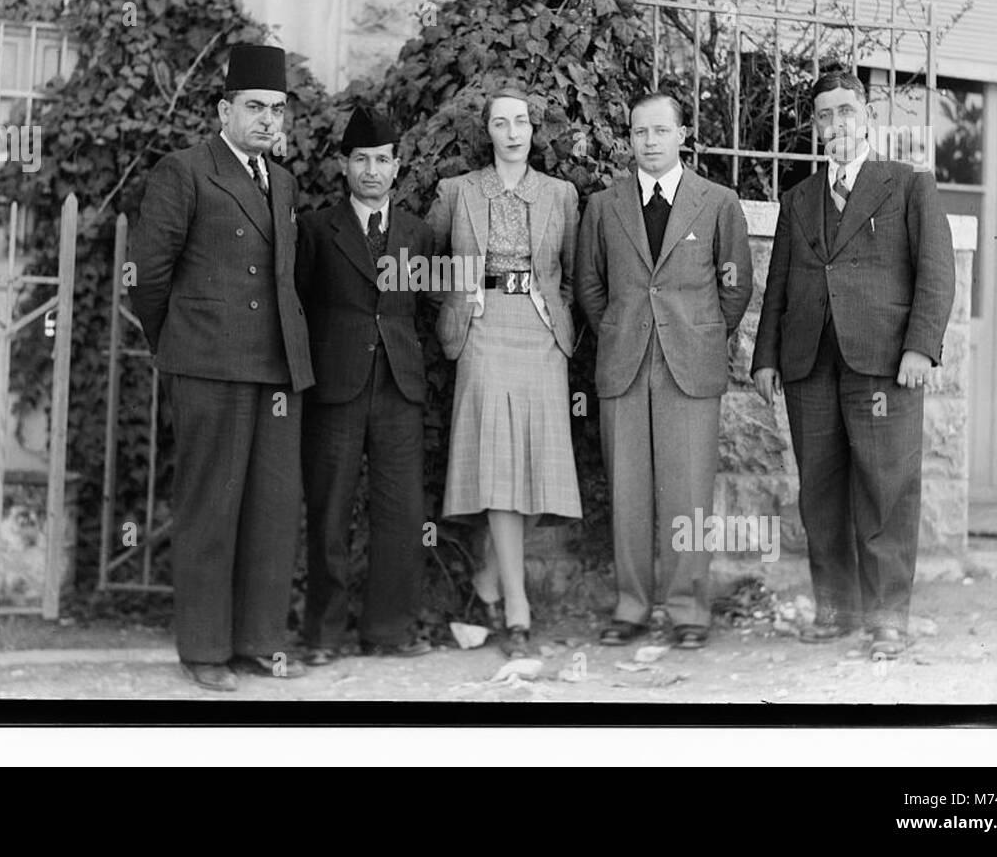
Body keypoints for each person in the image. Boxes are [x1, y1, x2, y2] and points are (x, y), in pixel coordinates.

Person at [753, 68, 954, 661]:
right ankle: (835, 608)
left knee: (886, 487)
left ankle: (888, 617)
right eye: (825, 116)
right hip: (810, 364)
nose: (836, 124)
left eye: (846, 111)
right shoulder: (798, 199)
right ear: (816, 127)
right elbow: (779, 287)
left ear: (866, 115)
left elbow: (936, 274)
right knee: (820, 491)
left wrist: (920, 347)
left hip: (884, 365)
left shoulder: (908, 184)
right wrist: (766, 358)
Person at [130, 44, 314, 691]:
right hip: (209, 364)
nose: (269, 120)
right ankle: (204, 651)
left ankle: (256, 643)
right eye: (256, 107)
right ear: (223, 110)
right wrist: (179, 343)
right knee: (210, 506)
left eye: (278, 110)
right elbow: (148, 279)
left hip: (276, 368)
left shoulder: (283, 182)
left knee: (271, 507)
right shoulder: (184, 172)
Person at [576, 92, 752, 651]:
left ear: (682, 135)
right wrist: (621, 329)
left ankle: (688, 610)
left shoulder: (717, 202)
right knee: (627, 491)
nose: (649, 141)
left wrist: (700, 333)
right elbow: (589, 285)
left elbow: (736, 284)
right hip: (625, 362)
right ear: (629, 138)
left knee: (689, 494)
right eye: (639, 132)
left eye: (660, 131)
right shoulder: (605, 206)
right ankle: (631, 606)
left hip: (690, 368)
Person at [427, 85, 582, 659]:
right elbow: (425, 263)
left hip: (540, 335)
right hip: (484, 333)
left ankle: (489, 577)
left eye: (521, 122)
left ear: (532, 130)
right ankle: (517, 607)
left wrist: (553, 314)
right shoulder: (458, 192)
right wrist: (463, 300)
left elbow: (569, 273)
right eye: (500, 123)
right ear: (487, 131)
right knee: (498, 468)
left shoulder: (560, 194)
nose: (513, 133)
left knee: (541, 469)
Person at [295, 105, 436, 664]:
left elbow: (422, 309)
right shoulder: (315, 230)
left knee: (401, 510)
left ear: (397, 167)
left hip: (399, 386)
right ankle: (323, 636)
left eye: (382, 160)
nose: (372, 170)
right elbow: (300, 306)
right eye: (361, 160)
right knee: (330, 508)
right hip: (335, 388)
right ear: (344, 166)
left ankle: (389, 630)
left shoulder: (418, 233)